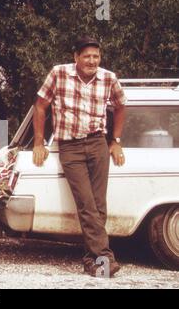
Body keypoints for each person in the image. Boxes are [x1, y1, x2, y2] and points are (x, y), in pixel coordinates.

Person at [32, 36, 127, 277]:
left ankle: (91, 259)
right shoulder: (59, 73)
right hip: (70, 146)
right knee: (86, 203)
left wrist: (115, 141)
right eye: (87, 56)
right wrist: (39, 142)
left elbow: (121, 106)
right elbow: (40, 106)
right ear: (76, 57)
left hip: (98, 143)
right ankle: (105, 258)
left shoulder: (109, 78)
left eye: (96, 56)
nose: (92, 61)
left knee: (98, 205)